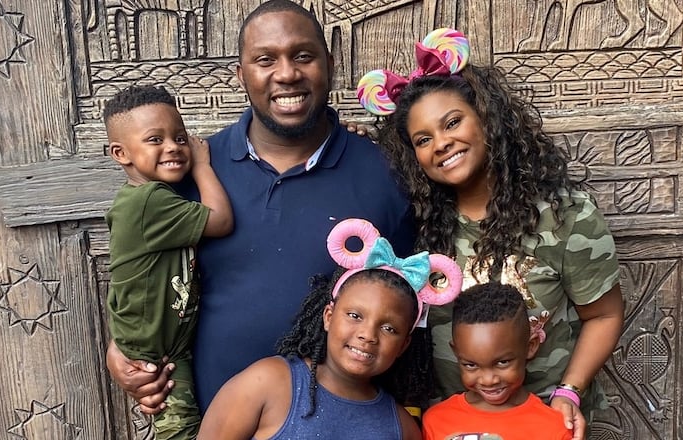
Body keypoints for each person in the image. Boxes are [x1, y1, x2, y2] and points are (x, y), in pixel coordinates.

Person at [105, 0, 415, 417]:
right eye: (266, 59)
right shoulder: (188, 171)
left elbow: (411, 304)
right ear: (241, 75)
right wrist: (123, 352)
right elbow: (140, 273)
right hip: (217, 421)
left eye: (303, 56)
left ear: (330, 63)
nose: (286, 74)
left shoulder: (386, 174)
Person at [358, 28, 625, 439]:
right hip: (453, 426)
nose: (442, 144)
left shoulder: (563, 216)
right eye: (423, 140)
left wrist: (569, 391)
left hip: (542, 424)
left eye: (452, 123)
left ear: (486, 117)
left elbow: (604, 314)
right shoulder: (417, 224)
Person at [197, 218, 461, 440]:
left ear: (404, 344)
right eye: (355, 315)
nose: (368, 335)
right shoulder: (267, 383)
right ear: (328, 316)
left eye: (389, 328)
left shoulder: (401, 428)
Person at [104, 85, 234, 439]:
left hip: (163, 339)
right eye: (154, 140)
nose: (174, 147)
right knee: (179, 431)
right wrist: (203, 165)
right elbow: (221, 220)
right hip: (156, 349)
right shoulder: (149, 201)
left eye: (180, 137)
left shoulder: (154, 196)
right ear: (121, 153)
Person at [422, 281, 572, 440]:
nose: (488, 380)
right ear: (456, 353)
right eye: (471, 365)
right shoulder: (436, 420)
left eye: (502, 362)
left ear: (530, 346)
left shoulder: (554, 427)